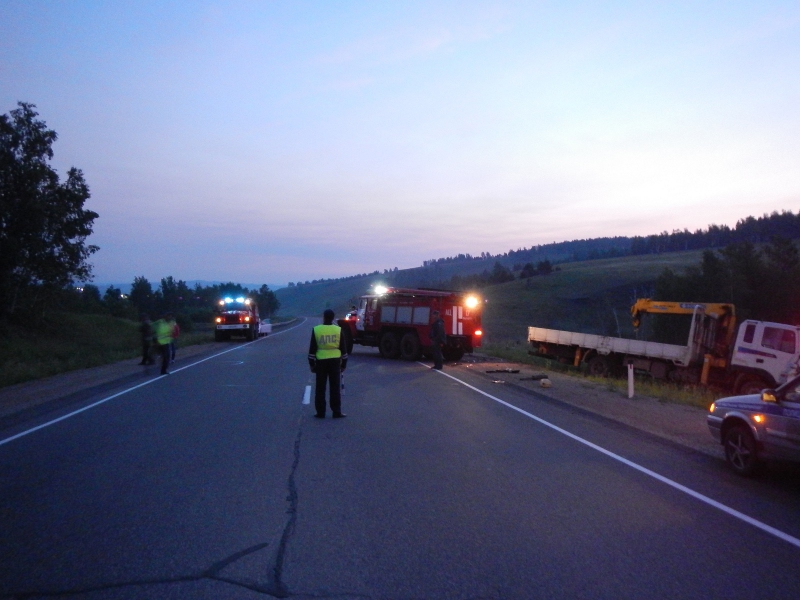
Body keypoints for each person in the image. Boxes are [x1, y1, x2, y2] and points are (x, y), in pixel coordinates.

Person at [308, 309, 348, 418]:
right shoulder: (338, 330)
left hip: (321, 362)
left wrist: (312, 364)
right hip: (335, 362)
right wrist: (344, 364)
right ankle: (336, 411)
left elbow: (312, 349)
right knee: (335, 388)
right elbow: (343, 349)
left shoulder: (317, 330)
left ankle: (320, 412)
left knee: (320, 388)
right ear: (333, 318)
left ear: (324, 317)